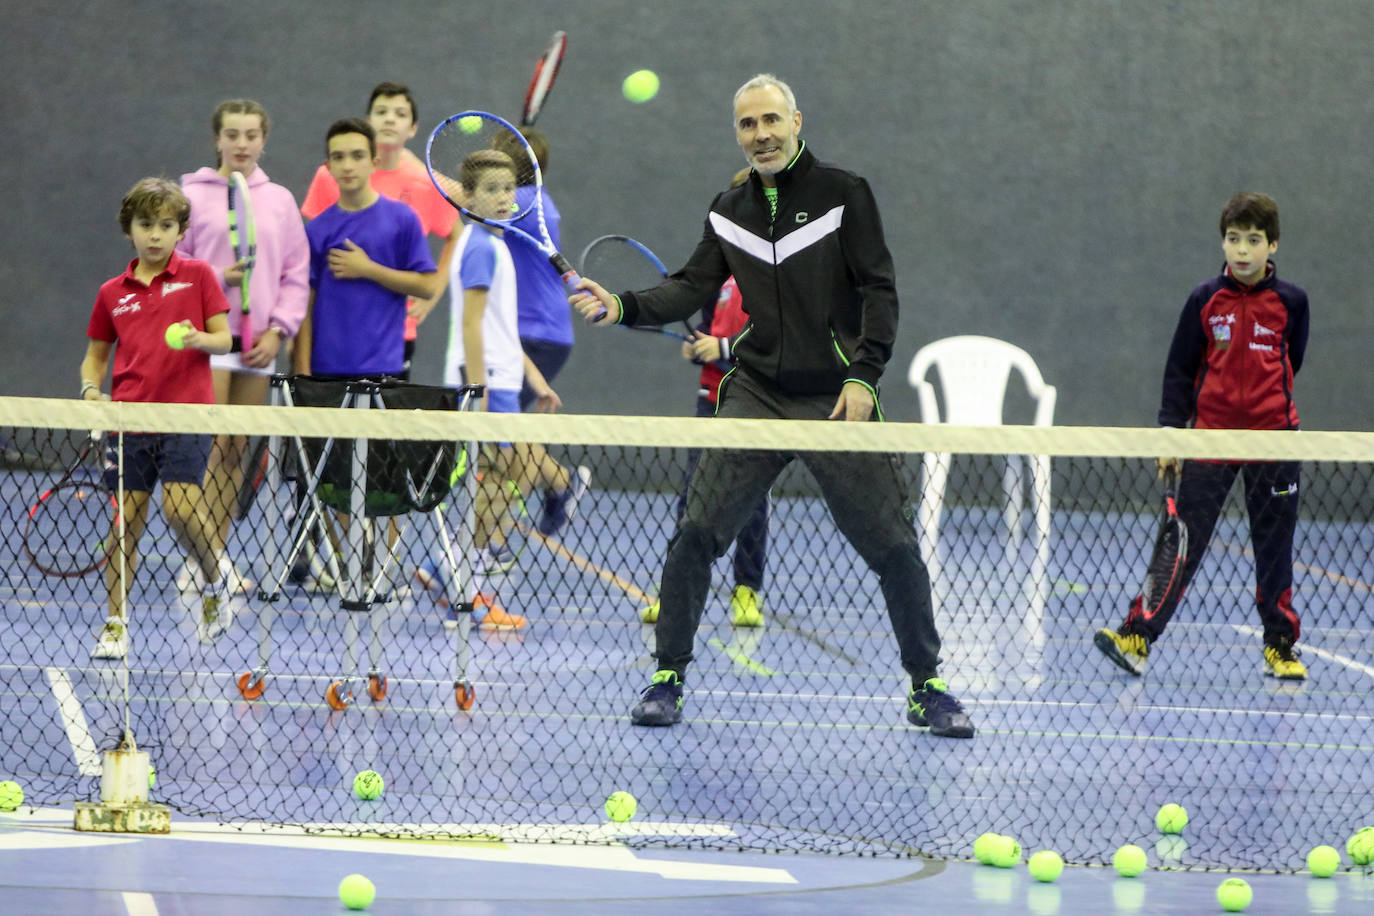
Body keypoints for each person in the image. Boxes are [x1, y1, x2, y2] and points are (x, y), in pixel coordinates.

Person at [570, 73, 974, 738]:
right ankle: (668, 675)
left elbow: (879, 290)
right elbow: (690, 284)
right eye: (747, 125)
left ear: (795, 121)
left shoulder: (844, 194)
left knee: (893, 544)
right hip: (757, 390)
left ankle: (927, 686)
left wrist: (864, 377)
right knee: (696, 532)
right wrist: (623, 307)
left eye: (770, 121)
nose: (760, 134)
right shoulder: (730, 208)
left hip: (834, 395)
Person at [1095, 192, 1310, 681]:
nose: (1242, 250)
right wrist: (1171, 435)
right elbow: (1180, 371)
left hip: (1276, 441)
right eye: (1234, 239)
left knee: (1274, 547)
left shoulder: (1292, 303)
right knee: (1180, 541)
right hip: (1208, 439)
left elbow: (1290, 361)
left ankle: (1280, 646)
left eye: (1254, 240)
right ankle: (1136, 635)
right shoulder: (1204, 300)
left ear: (1272, 245)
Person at [413, 149, 589, 630]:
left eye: (508, 189)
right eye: (490, 190)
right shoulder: (479, 246)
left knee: (510, 476)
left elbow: (500, 326)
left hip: (506, 381)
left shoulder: (496, 244)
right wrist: (478, 387)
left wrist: (534, 379)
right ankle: (462, 591)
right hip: (485, 385)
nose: (503, 198)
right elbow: (471, 323)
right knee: (490, 485)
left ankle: (453, 579)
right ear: (467, 198)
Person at [80, 178, 235, 659]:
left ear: (179, 231)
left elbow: (225, 340)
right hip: (131, 418)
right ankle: (115, 623)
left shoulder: (200, 276)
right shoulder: (111, 292)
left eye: (166, 226)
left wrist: (198, 339)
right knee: (126, 522)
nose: (155, 235)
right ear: (130, 229)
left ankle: (214, 580)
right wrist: (91, 391)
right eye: (146, 224)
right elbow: (95, 359)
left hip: (186, 414)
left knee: (181, 509)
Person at [177, 99, 310, 595]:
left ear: (263, 140)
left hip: (259, 343)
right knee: (208, 447)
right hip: (208, 338)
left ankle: (217, 555)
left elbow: (297, 273)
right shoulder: (189, 194)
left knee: (236, 451)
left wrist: (279, 330)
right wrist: (215, 276)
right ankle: (201, 561)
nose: (241, 144)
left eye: (251, 135)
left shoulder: (278, 200)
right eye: (232, 134)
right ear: (217, 140)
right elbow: (174, 263)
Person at [643, 172, 768, 629]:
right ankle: (675, 593)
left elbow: (776, 338)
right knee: (693, 498)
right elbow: (707, 328)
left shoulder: (779, 271)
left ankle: (746, 591)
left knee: (752, 501)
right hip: (711, 397)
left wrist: (725, 348)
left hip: (759, 402)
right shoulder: (719, 271)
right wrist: (698, 343)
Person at [300, 82, 458, 379]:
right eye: (381, 112)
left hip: (391, 338)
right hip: (331, 347)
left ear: (412, 128)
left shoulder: (422, 185)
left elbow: (455, 235)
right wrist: (301, 356)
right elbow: (313, 268)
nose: (389, 119)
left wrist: (430, 297)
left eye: (399, 113)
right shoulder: (326, 186)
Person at [487, 129, 580, 535]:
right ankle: (561, 480)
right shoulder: (538, 200)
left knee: (501, 428)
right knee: (504, 424)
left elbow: (467, 202)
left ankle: (494, 536)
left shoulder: (522, 202)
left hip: (535, 334)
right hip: (536, 333)